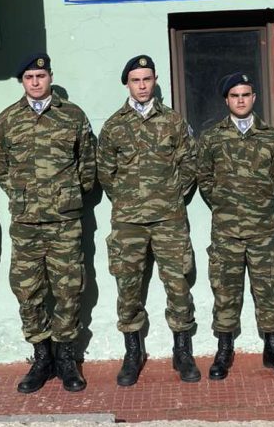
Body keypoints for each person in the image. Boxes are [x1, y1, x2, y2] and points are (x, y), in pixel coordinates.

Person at [0, 53, 96, 394]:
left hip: (64, 221)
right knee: (28, 290)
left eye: (40, 76)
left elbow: (88, 165)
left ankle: (65, 357)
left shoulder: (73, 116)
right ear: (22, 82)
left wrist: (67, 196)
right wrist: (23, 197)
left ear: (50, 76)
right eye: (29, 77)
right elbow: (2, 167)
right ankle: (41, 356)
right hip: (26, 222)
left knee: (69, 289)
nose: (35, 82)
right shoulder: (7, 119)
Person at [97, 54, 199, 385]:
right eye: (135, 80)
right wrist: (128, 199)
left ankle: (182, 352)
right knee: (128, 287)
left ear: (155, 81)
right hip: (128, 222)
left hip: (169, 219)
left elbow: (189, 162)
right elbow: (105, 172)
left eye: (147, 79)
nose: (142, 86)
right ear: (127, 84)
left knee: (178, 285)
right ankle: (133, 353)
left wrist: (171, 195)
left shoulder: (173, 121)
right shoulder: (113, 126)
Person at [197, 73, 274, 380]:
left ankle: (273, 348)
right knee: (225, 290)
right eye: (234, 96)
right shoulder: (212, 138)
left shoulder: (270, 137)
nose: (240, 100)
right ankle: (224, 349)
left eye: (245, 95)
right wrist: (224, 204)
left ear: (254, 98)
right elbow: (204, 179)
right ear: (226, 100)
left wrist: (258, 204)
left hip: (262, 230)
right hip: (226, 231)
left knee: (268, 289)